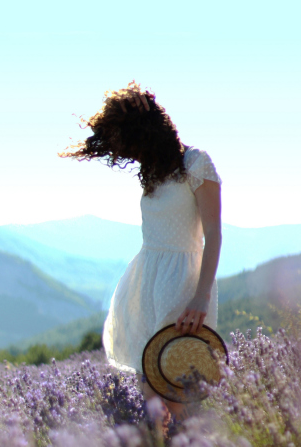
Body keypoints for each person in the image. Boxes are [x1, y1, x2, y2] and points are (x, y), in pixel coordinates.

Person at [58, 81, 223, 423]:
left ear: (148, 135)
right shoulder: (152, 173)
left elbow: (214, 234)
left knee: (175, 392)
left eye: (131, 144)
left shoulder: (196, 162)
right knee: (151, 394)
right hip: (146, 282)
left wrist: (200, 297)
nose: (128, 154)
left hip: (184, 285)